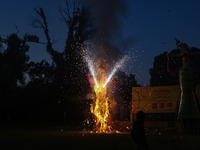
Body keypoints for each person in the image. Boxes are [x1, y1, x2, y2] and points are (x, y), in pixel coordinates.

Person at [167, 39, 200, 135]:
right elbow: (170, 70)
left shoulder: (192, 70)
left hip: (191, 94)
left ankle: (193, 129)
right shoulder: (180, 71)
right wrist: (168, 60)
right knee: (182, 112)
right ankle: (183, 129)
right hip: (183, 94)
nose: (184, 59)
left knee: (194, 111)